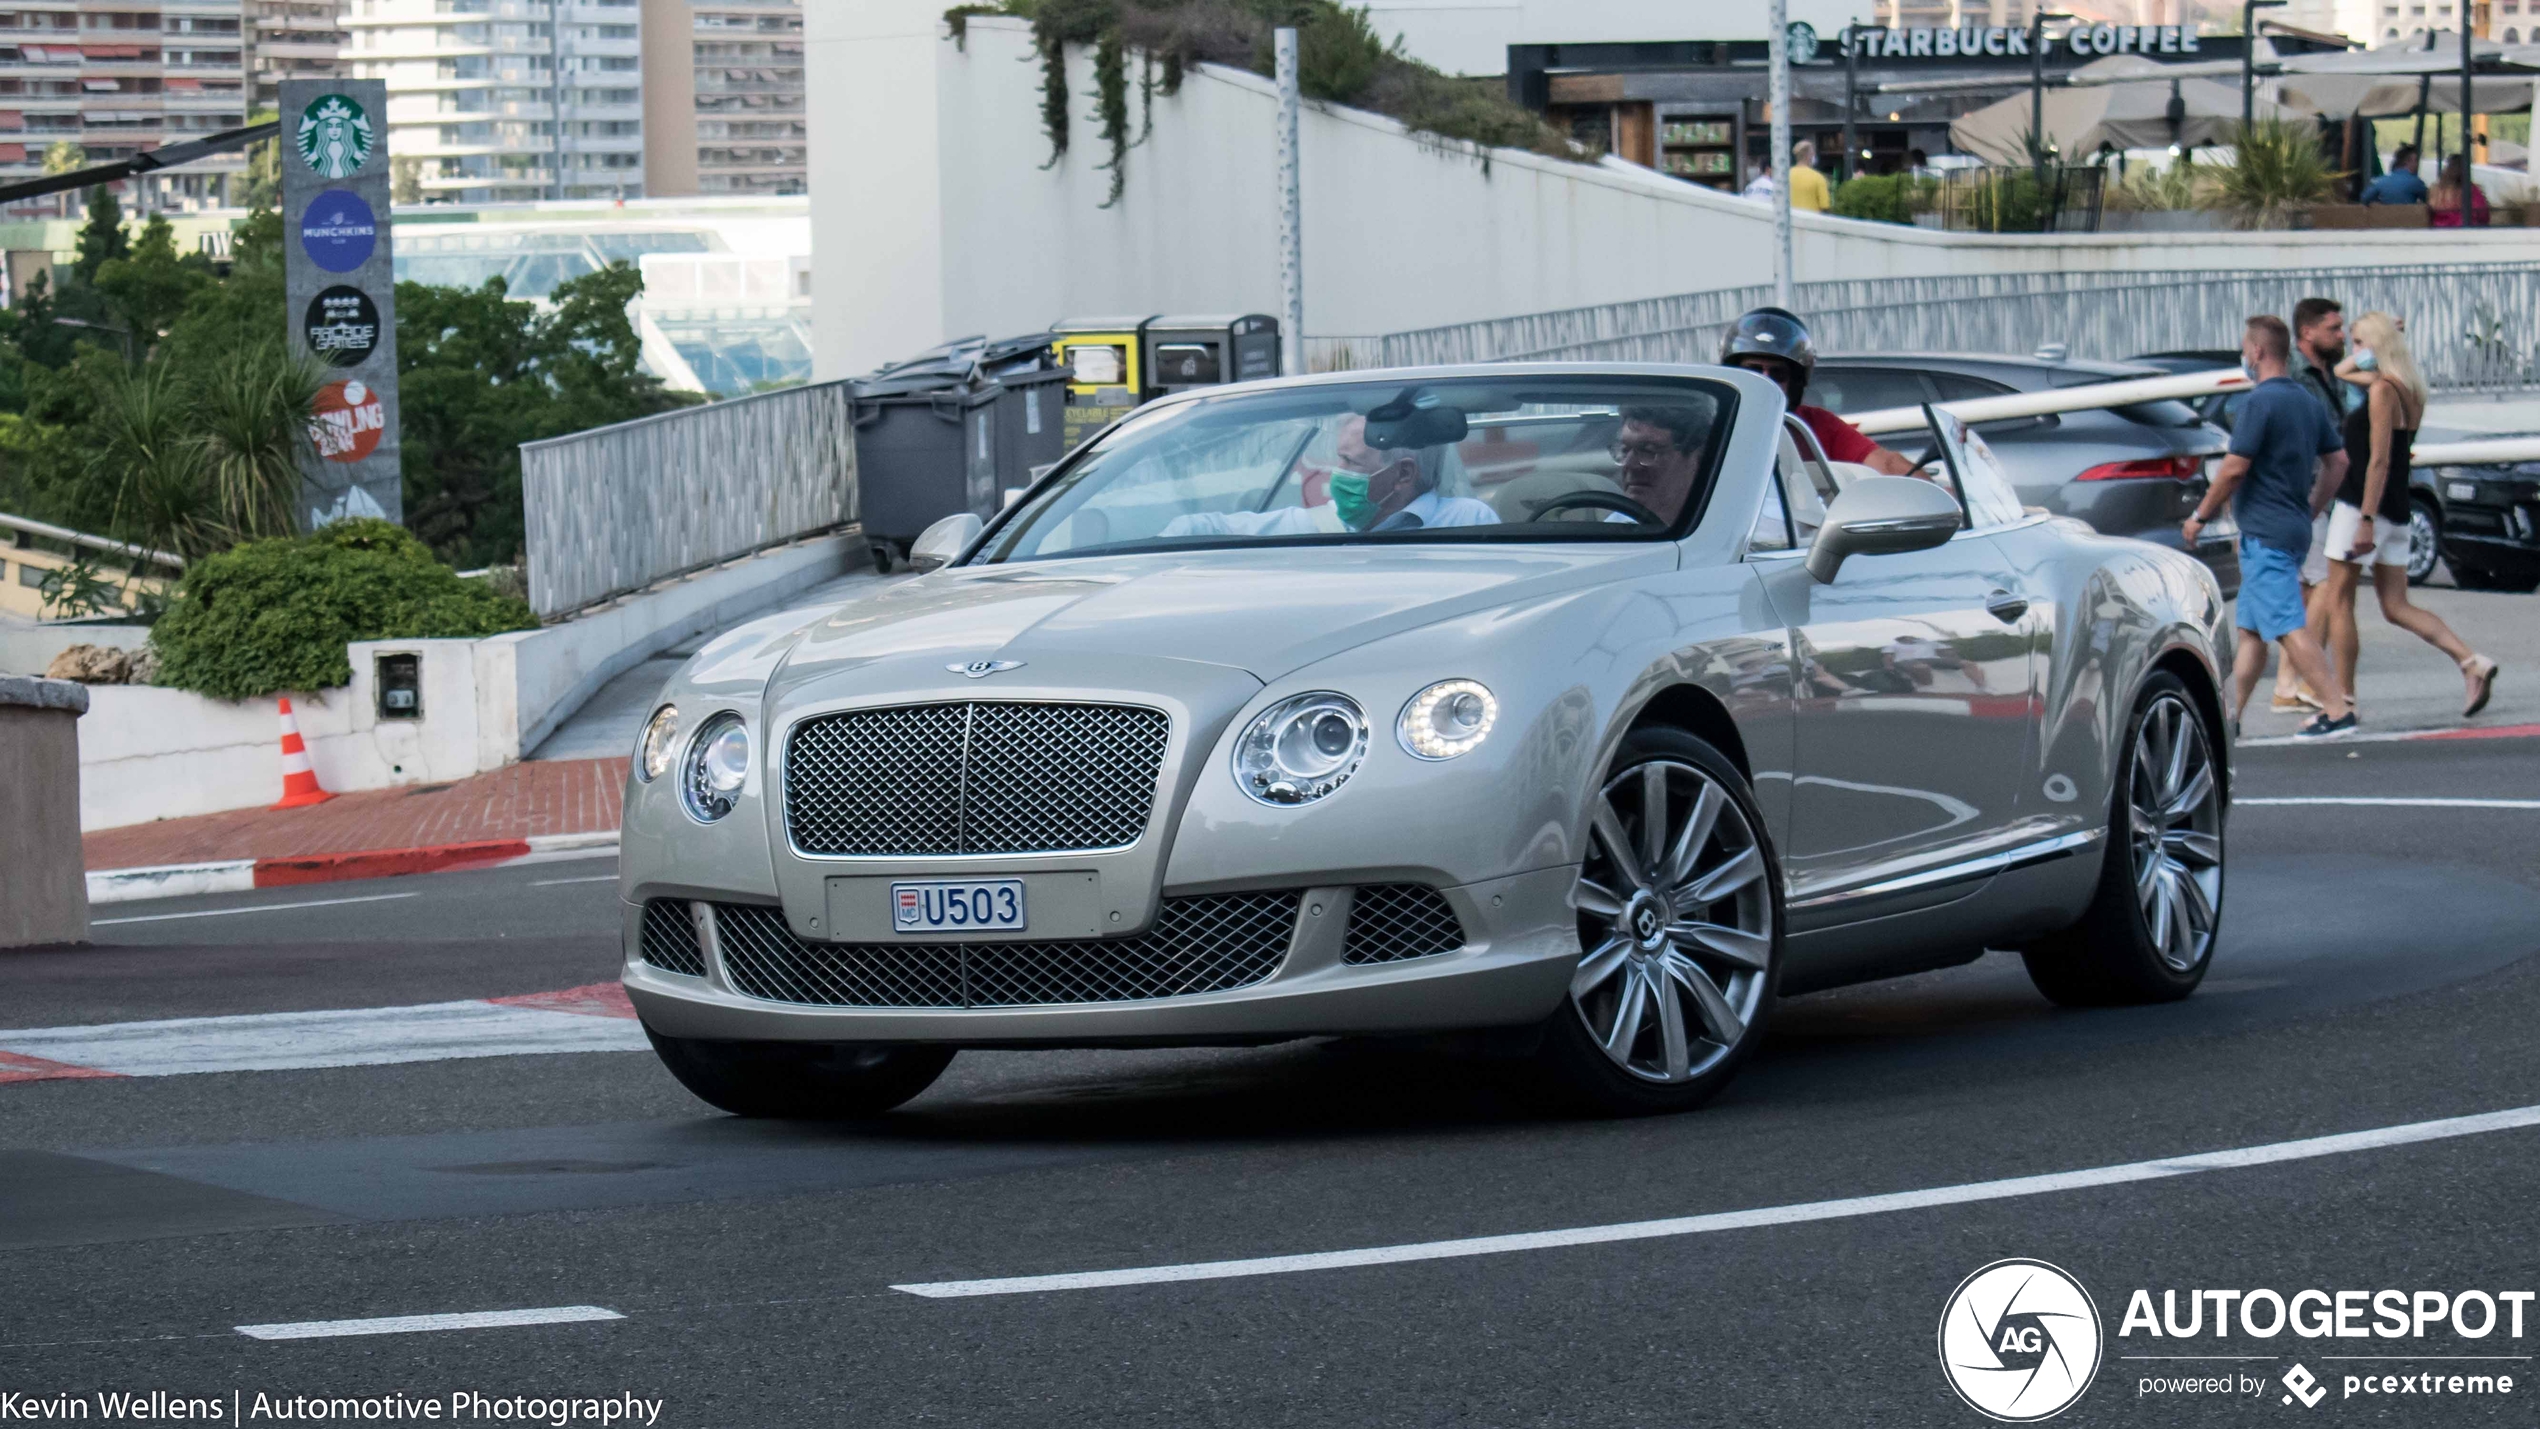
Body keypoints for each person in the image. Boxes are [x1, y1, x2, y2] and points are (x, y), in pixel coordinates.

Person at [2321, 310, 2501, 718]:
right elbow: (2346, 371)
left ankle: (2343, 699)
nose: (2354, 351)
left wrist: (2364, 519)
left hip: (2363, 506)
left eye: (2360, 342)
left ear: (2378, 346)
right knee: (2396, 604)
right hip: (2398, 508)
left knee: (2338, 601)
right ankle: (2471, 661)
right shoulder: (2409, 390)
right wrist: (2385, 342)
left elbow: (2379, 460)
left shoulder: (2383, 390)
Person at [2183, 315, 2356, 739]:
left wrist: (2200, 516)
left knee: (2286, 625)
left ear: (2257, 352)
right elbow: (2339, 461)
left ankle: (2337, 711)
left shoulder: (2258, 403)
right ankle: (2229, 720)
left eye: (2246, 347)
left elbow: (2234, 469)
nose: (2245, 354)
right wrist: (2313, 506)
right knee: (2252, 634)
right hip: (2291, 525)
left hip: (2265, 532)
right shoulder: (2306, 401)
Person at [1157, 415, 1495, 538]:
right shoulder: (1318, 527)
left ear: (1403, 474)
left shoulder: (1467, 522)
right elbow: (1217, 530)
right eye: (1339, 460)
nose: (1337, 474)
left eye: (1352, 463)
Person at [2273, 296, 2358, 712]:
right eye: (2333, 328)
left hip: (2329, 489)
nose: (2340, 335)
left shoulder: (2332, 374)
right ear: (2307, 332)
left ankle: (2289, 685)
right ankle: (2305, 681)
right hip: (2303, 490)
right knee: (2326, 584)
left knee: (2309, 590)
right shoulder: (2291, 372)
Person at [1717, 307, 1919, 477]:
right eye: (1753, 371)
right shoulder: (1714, 427)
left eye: (1778, 373)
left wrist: (1942, 500)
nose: (1766, 380)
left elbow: (1886, 464)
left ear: (1796, 381)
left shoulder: (1816, 427)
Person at [1610, 405, 1711, 523]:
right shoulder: (1612, 529)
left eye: (1648, 451)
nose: (1629, 464)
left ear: (1695, 457)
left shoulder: (1724, 525)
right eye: (1624, 450)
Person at [2428, 154, 2489, 228]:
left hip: (2441, 230)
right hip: (2457, 230)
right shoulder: (2471, 190)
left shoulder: (2437, 189)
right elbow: (2482, 213)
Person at [2359, 143, 2427, 206]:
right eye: (2416, 161)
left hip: (2385, 217)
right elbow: (2429, 200)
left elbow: (2365, 198)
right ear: (2408, 161)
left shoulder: (2380, 181)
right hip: (2407, 217)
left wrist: (2379, 203)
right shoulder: (2416, 182)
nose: (2416, 165)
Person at [1788, 140, 1832, 213]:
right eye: (1813, 153)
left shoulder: (1787, 175)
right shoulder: (1818, 177)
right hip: (1811, 221)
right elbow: (1825, 206)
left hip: (1790, 220)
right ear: (1809, 155)